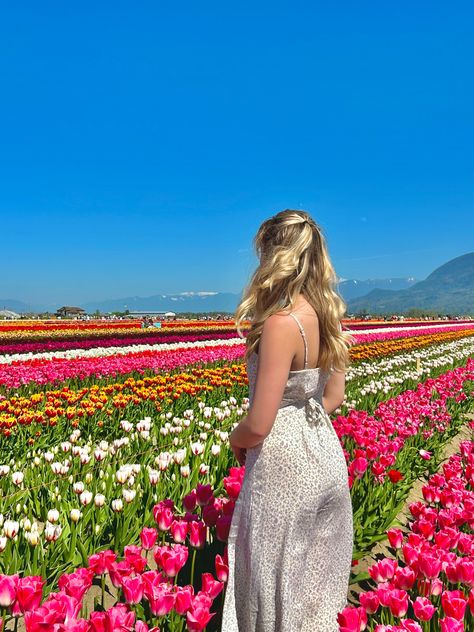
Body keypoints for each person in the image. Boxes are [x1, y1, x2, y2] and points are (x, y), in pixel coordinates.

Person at [220, 209, 354, 632]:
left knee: (273, 586)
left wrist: (234, 438)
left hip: (284, 468)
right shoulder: (328, 318)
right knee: (315, 588)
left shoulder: (280, 324)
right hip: (326, 459)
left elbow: (260, 422)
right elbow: (333, 397)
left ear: (275, 256)